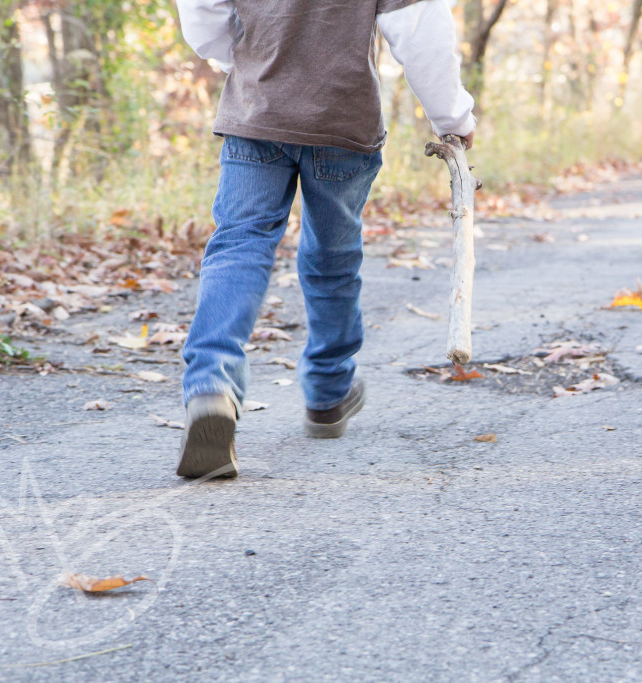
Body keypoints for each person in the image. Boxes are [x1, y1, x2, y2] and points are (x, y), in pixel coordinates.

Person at [174, 0, 476, 478]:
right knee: (333, 253)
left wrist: (243, 57)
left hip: (257, 110)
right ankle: (328, 392)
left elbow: (202, 9)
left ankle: (211, 384)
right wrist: (452, 118)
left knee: (239, 243)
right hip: (342, 121)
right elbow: (420, 30)